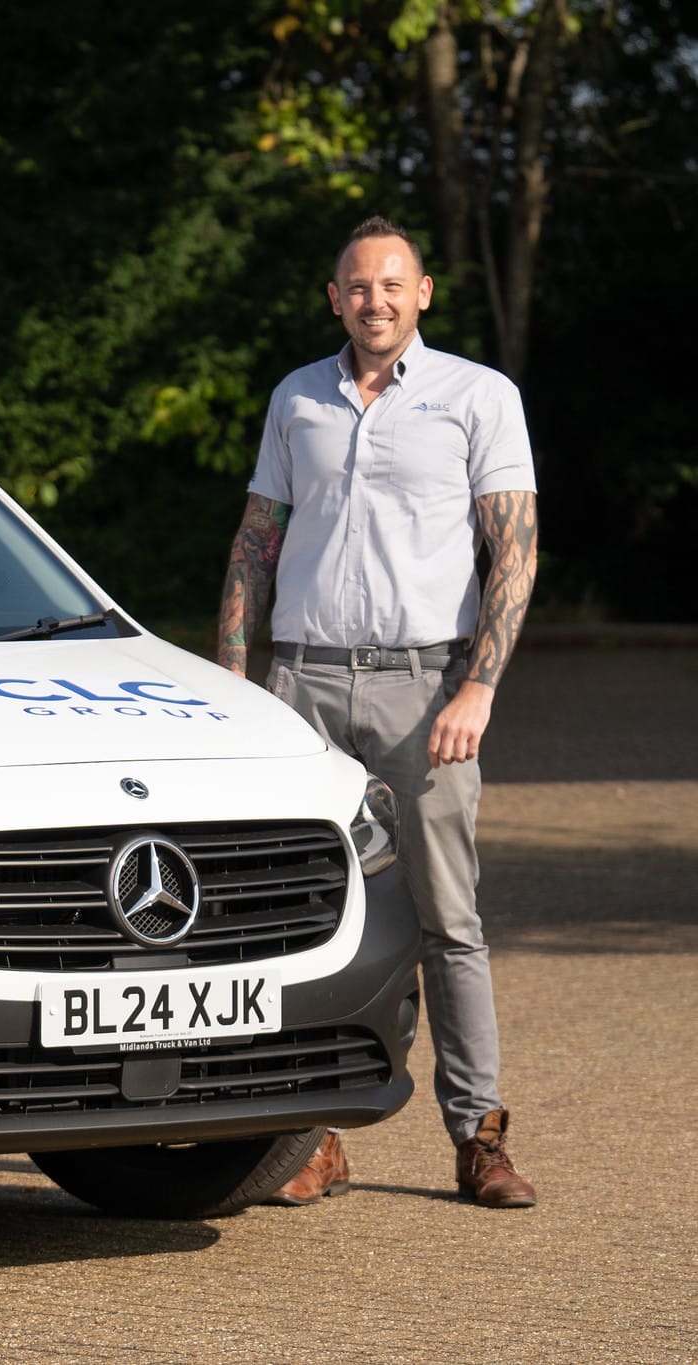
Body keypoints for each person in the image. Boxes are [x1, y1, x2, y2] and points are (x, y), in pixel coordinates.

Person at [216, 217, 539, 1209]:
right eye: (358, 287)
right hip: (300, 688)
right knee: (296, 915)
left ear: (424, 293)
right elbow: (254, 543)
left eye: (392, 285)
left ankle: (477, 1135)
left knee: (445, 918)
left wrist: (478, 686)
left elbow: (514, 549)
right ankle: (309, 1136)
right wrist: (231, 683)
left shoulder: (477, 397)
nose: (375, 301)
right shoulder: (296, 398)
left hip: (423, 690)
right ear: (333, 297)